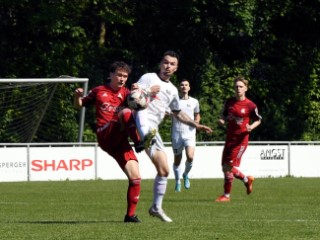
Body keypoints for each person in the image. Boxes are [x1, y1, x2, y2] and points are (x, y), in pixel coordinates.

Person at [132, 51, 213, 222]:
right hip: (140, 120)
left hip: (154, 130)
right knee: (142, 115)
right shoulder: (149, 77)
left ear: (176, 68)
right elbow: (133, 93)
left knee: (164, 170)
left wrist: (196, 125)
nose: (168, 66)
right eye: (166, 63)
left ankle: (156, 207)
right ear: (161, 64)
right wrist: (147, 90)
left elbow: (178, 113)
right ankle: (141, 137)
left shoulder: (173, 91)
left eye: (172, 64)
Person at [73, 61, 143, 223]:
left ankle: (130, 216)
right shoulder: (99, 91)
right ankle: (139, 142)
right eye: (119, 75)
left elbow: (140, 107)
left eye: (125, 76)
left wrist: (142, 94)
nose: (122, 79)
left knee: (136, 178)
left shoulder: (127, 94)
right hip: (105, 134)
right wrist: (77, 96)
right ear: (111, 75)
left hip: (120, 140)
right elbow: (79, 105)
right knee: (125, 112)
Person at [215, 76, 262, 202]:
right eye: (236, 86)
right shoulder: (229, 102)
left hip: (240, 141)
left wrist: (251, 127)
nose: (238, 88)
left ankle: (227, 195)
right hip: (229, 139)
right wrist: (221, 120)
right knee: (224, 167)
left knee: (228, 167)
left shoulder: (250, 105)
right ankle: (246, 181)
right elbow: (224, 115)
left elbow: (258, 120)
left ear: (246, 88)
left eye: (241, 86)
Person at [171, 79, 200, 192]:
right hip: (177, 133)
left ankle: (185, 174)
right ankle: (177, 181)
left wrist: (196, 123)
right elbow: (169, 113)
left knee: (190, 156)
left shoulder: (194, 101)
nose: (184, 86)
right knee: (177, 160)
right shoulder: (174, 101)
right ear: (179, 87)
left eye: (186, 85)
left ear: (189, 87)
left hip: (190, 133)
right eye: (182, 85)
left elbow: (197, 115)